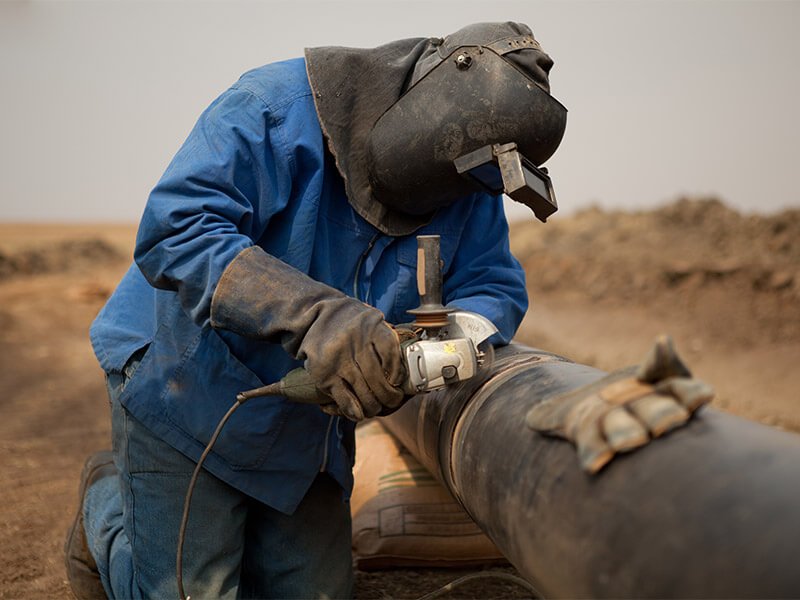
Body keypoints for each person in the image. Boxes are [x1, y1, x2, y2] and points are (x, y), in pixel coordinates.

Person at [64, 21, 567, 599]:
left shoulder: (468, 175)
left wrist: (432, 352)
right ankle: (103, 515)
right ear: (427, 115)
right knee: (192, 590)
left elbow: (493, 283)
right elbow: (177, 230)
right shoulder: (273, 110)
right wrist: (317, 316)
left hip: (308, 417)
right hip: (185, 382)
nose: (456, 205)